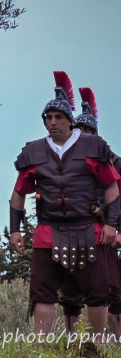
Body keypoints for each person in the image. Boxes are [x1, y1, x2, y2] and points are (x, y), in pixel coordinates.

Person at [9, 72, 119, 334]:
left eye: (58, 117)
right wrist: (14, 229)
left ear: (70, 121)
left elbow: (112, 186)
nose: (53, 122)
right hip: (48, 231)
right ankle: (42, 345)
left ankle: (99, 343)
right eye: (48, 117)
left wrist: (111, 224)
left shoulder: (93, 146)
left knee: (97, 292)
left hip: (88, 229)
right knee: (42, 293)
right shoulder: (33, 152)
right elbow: (18, 193)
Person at [70, 87, 121, 337]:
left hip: (107, 235)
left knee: (111, 289)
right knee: (73, 291)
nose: (82, 135)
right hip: (73, 233)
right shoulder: (68, 160)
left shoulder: (114, 162)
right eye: (78, 130)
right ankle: (76, 342)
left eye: (87, 131)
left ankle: (115, 342)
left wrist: (117, 230)